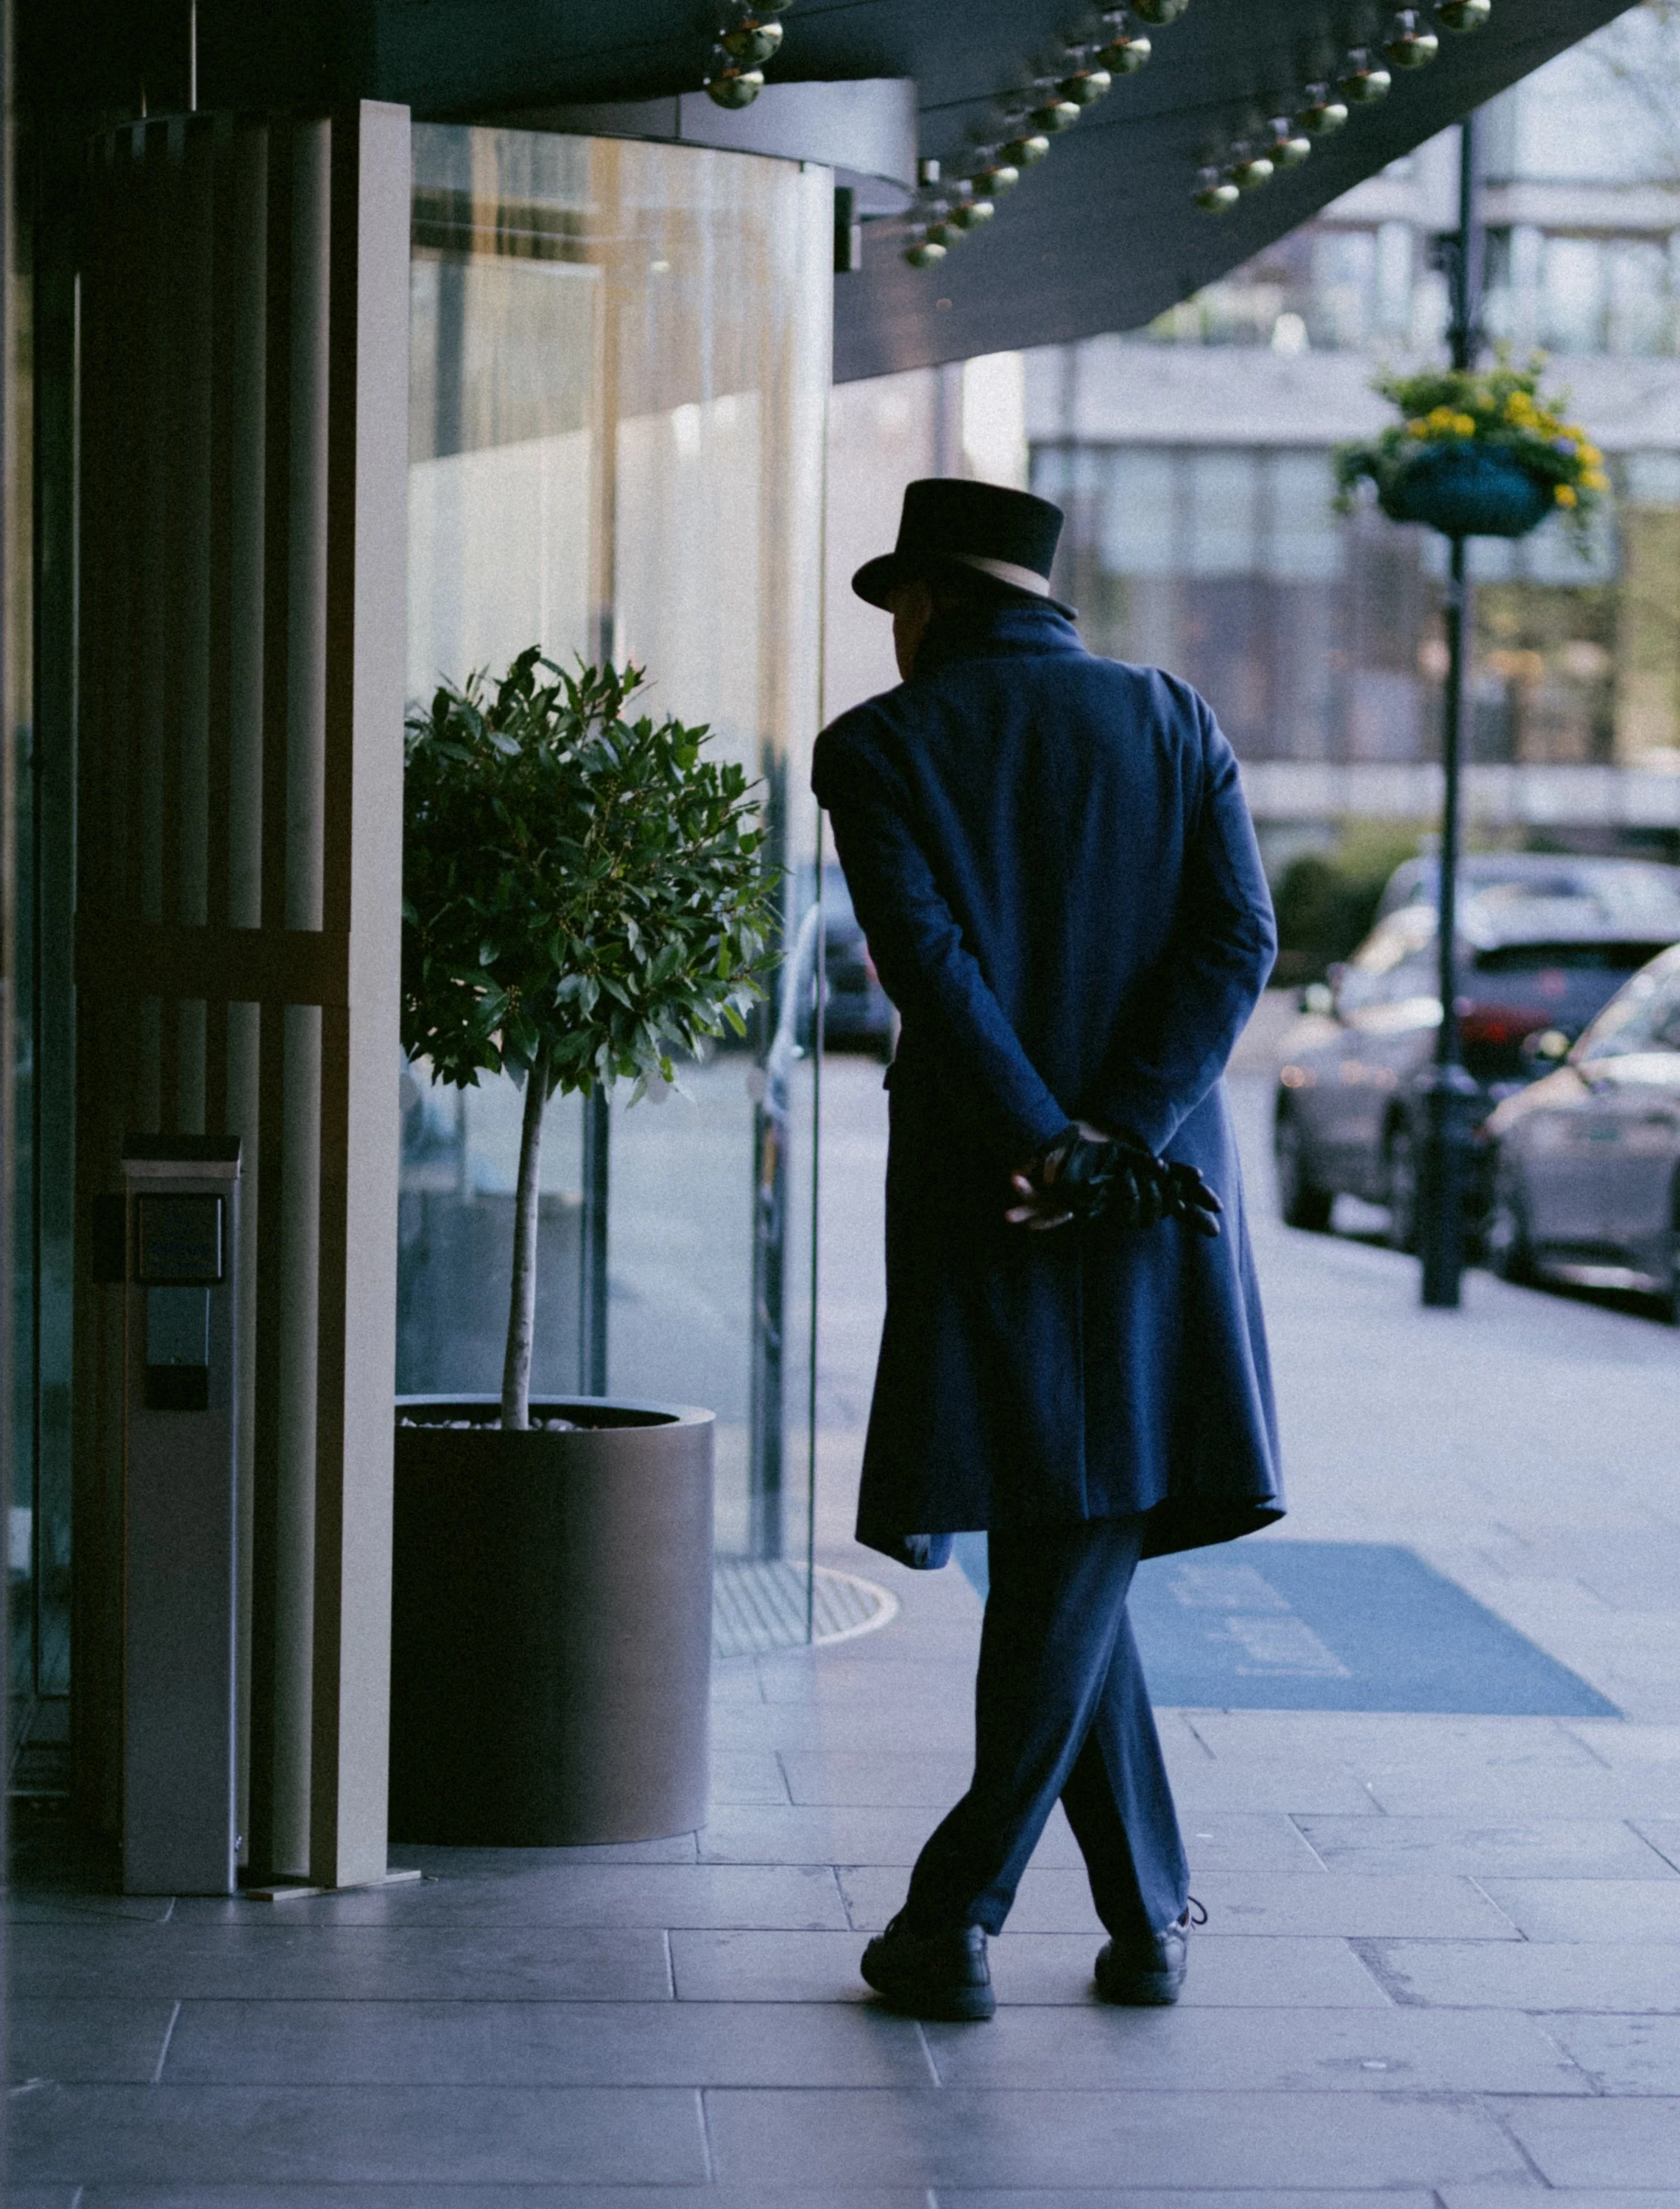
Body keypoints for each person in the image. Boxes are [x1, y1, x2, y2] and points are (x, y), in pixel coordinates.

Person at [811, 477, 1283, 2023]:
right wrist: (1119, 1140)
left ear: (931, 603)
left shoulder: (877, 748)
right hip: (1149, 1198)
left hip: (988, 1189)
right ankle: (1147, 1911)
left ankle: (954, 1914)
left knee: (1061, 1525)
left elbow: (926, 966)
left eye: (900, 612)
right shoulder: (1174, 716)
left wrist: (1040, 1144)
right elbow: (1238, 944)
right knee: (1074, 1522)